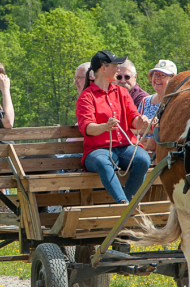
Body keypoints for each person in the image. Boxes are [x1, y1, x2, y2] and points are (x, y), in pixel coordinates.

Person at [76, 50, 152, 205]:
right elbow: (87, 128)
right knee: (103, 162)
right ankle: (123, 203)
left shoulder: (122, 92)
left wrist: (142, 121)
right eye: (115, 65)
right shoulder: (86, 97)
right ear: (103, 68)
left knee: (143, 158)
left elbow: (133, 120)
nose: (118, 68)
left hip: (124, 147)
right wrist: (105, 126)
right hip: (96, 151)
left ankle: (126, 204)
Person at [139, 60, 178, 156]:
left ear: (172, 79)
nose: (157, 78)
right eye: (155, 74)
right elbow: (133, 128)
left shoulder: (175, 101)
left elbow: (173, 130)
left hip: (165, 154)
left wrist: (149, 127)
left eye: (162, 75)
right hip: (141, 152)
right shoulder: (145, 101)